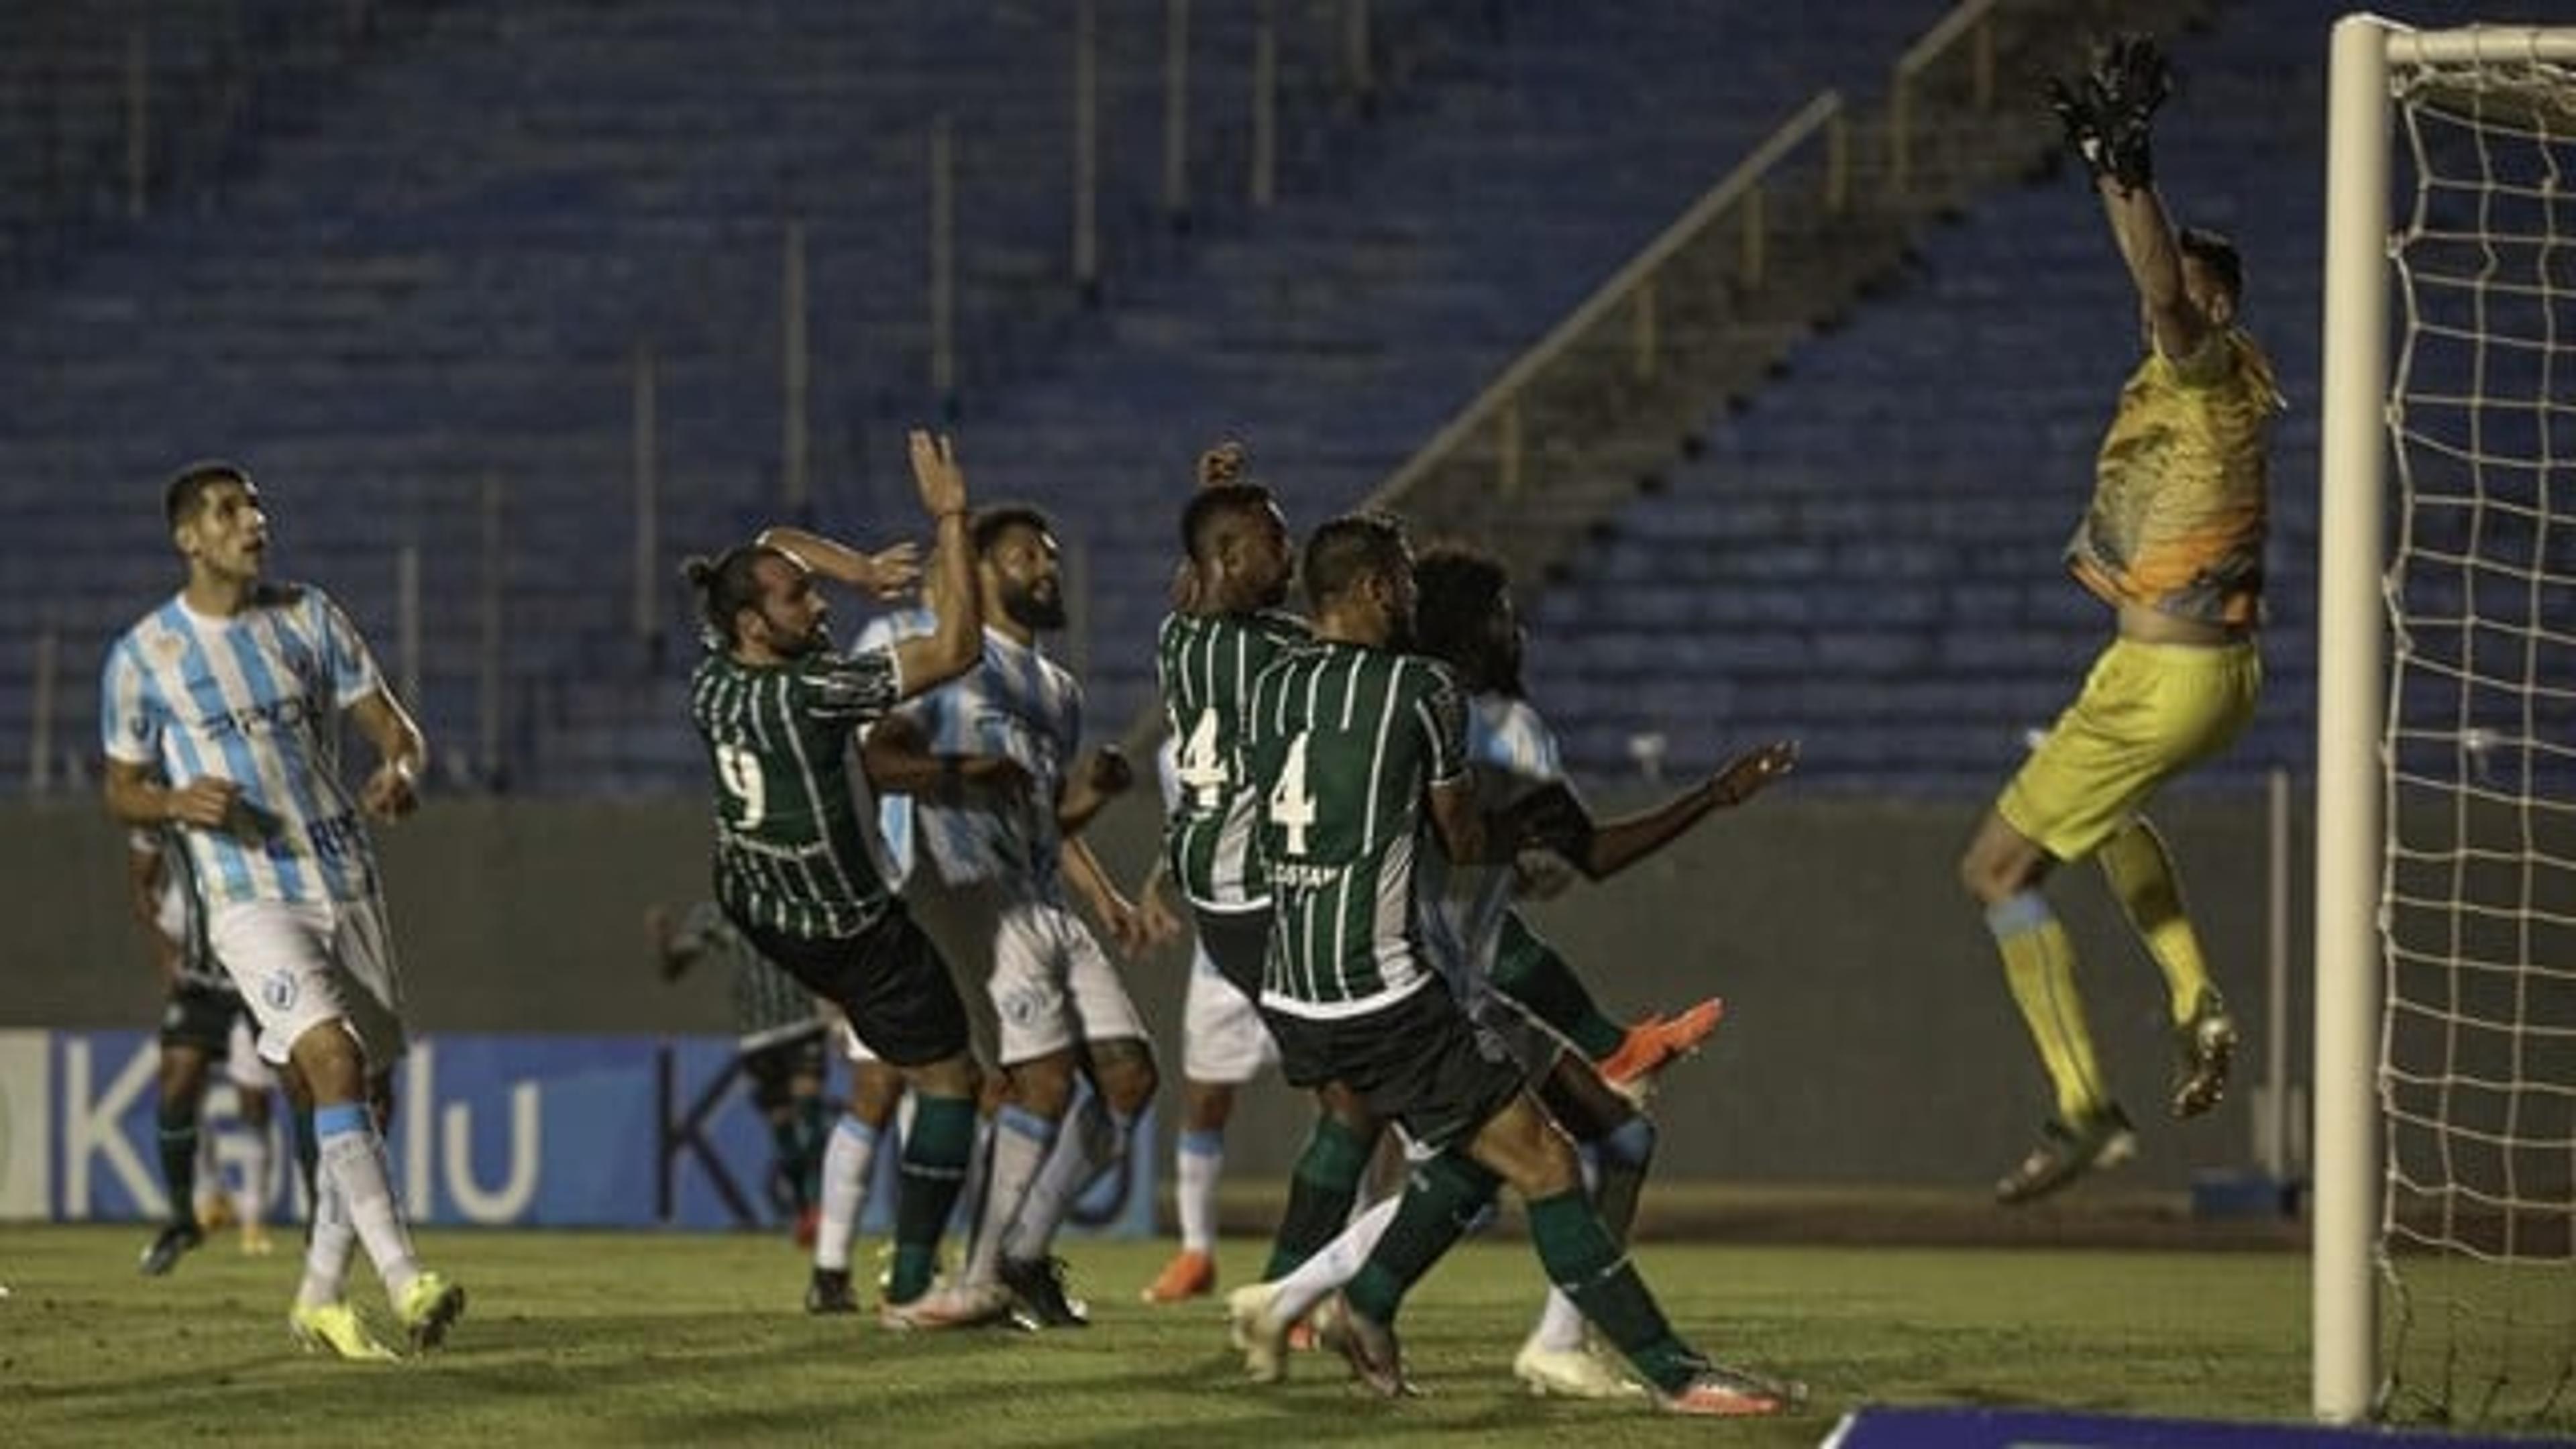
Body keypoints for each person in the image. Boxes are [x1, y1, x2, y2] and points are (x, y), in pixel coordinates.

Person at [1234, 512, 1799, 1416]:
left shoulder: (1270, 685)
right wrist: (1528, 829)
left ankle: (1352, 1305)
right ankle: (1670, 1372)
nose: (1412, 601)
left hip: (1292, 979)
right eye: (1403, 584)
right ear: (1379, 590)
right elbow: (1464, 842)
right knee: (1547, 1164)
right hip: (1390, 986)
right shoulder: (1425, 693)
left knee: (1477, 1157)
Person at [1964, 34, 2278, 1204]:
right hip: (2179, 671)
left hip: (2169, 678)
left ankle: (2085, 1110)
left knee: (1996, 871)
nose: (2166, 300)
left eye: (2193, 287)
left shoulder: (2211, 372)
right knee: (2102, 819)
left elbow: (2158, 283)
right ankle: (2194, 992)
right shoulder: (2195, 376)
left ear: (2224, 302)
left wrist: (2127, 169)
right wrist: (2118, 178)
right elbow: (2148, 284)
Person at [101, 460, 462, 1360]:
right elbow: (121, 790)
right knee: (332, 1058)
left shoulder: (310, 616)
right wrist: (174, 803)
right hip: (245, 896)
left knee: (362, 1092)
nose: (251, 521)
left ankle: (317, 1300)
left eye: (255, 505)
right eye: (228, 511)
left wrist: (401, 772)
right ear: (189, 537)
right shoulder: (146, 658)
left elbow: (394, 729)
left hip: (343, 876)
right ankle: (407, 1277)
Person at [684, 429, 1004, 1330]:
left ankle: (837, 1266)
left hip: (756, 901)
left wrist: (858, 570)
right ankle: (911, 1285)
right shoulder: (810, 694)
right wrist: (949, 519)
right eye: (801, 596)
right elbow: (956, 651)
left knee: (878, 1079)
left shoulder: (712, 679)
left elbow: (775, 539)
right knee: (951, 1081)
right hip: (845, 924)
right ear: (756, 621)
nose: (817, 602)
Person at [849, 502, 1157, 1331]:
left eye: (1049, 557)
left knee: (1130, 1078)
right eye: (1025, 556)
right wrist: (959, 772)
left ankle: (1019, 1255)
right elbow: (882, 760)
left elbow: (1045, 820)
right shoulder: (939, 657)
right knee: (1042, 1082)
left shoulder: (1059, 690)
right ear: (979, 573)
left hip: (1041, 897)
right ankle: (976, 1279)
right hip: (970, 892)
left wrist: (1091, 794)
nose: (1046, 569)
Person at [1132, 738, 1275, 1305]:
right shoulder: (1175, 754)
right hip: (1222, 955)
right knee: (1204, 1100)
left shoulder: (1292, 718)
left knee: (1341, 1101)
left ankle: (1328, 1263)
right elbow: (1189, 834)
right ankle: (1197, 1253)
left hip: (1302, 945)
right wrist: (1156, 883)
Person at [129, 816, 280, 1273]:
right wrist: (166, 959)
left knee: (254, 1101)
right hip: (201, 988)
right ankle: (195, 1207)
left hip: (257, 984)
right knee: (177, 1085)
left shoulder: (255, 820)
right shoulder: (164, 813)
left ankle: (256, 1215)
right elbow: (144, 893)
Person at [648, 900, 834, 1244]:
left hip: (803, 1024)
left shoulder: (796, 898)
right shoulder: (717, 912)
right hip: (757, 1037)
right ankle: (805, 1210)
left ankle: (821, 1211)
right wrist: (663, 941)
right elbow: (673, 969)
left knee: (810, 1113)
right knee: (783, 1126)